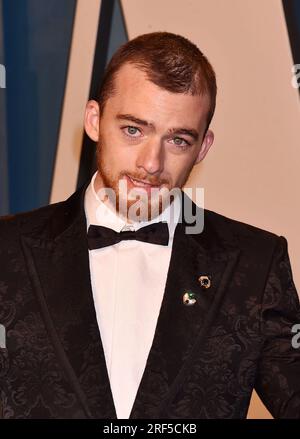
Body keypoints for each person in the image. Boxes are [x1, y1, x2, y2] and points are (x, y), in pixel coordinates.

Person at [0, 31, 299, 419]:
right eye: (133, 130)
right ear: (94, 121)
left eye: (177, 140)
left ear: (203, 147)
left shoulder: (254, 264)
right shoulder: (8, 250)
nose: (151, 162)